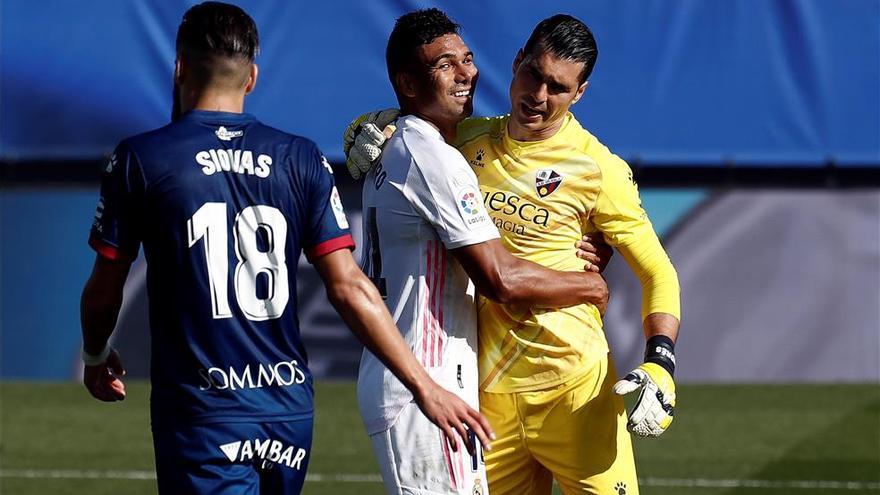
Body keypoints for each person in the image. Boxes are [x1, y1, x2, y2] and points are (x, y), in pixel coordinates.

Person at [79, 3, 493, 494]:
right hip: (287, 410)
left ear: (179, 68)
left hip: (205, 407)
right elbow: (349, 286)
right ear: (251, 76)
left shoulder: (142, 158)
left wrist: (95, 352)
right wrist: (424, 385)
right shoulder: (300, 157)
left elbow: (106, 289)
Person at [345, 13, 681, 495]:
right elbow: (409, 123)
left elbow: (659, 273)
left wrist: (661, 362)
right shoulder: (465, 141)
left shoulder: (597, 168)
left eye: (559, 88)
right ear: (517, 60)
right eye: (533, 75)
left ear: (580, 93)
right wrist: (366, 126)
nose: (539, 96)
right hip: (488, 397)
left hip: (574, 391)